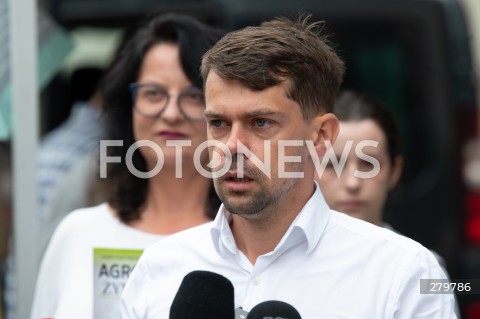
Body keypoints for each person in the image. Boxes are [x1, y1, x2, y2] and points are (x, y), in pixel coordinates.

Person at [120, 15, 456, 318]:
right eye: (219, 123)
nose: (232, 146)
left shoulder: (403, 274)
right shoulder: (158, 268)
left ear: (321, 136)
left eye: (261, 122)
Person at [30, 13, 222, 319]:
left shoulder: (247, 245)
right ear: (127, 106)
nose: (171, 113)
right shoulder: (77, 234)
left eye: (194, 95)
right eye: (153, 93)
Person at [317, 89, 461, 316]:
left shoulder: (422, 269)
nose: (353, 182)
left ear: (395, 171)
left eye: (369, 164)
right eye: (333, 164)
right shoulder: (272, 260)